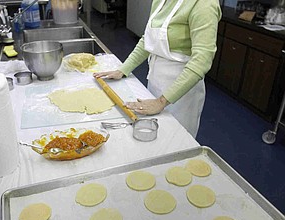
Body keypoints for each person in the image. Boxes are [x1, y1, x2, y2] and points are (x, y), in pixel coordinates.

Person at [93, 0, 222, 138]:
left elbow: (202, 60)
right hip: (156, 80)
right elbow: (147, 40)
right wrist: (123, 69)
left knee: (175, 140)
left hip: (182, 91)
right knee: (155, 135)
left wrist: (162, 101)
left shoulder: (204, 4)